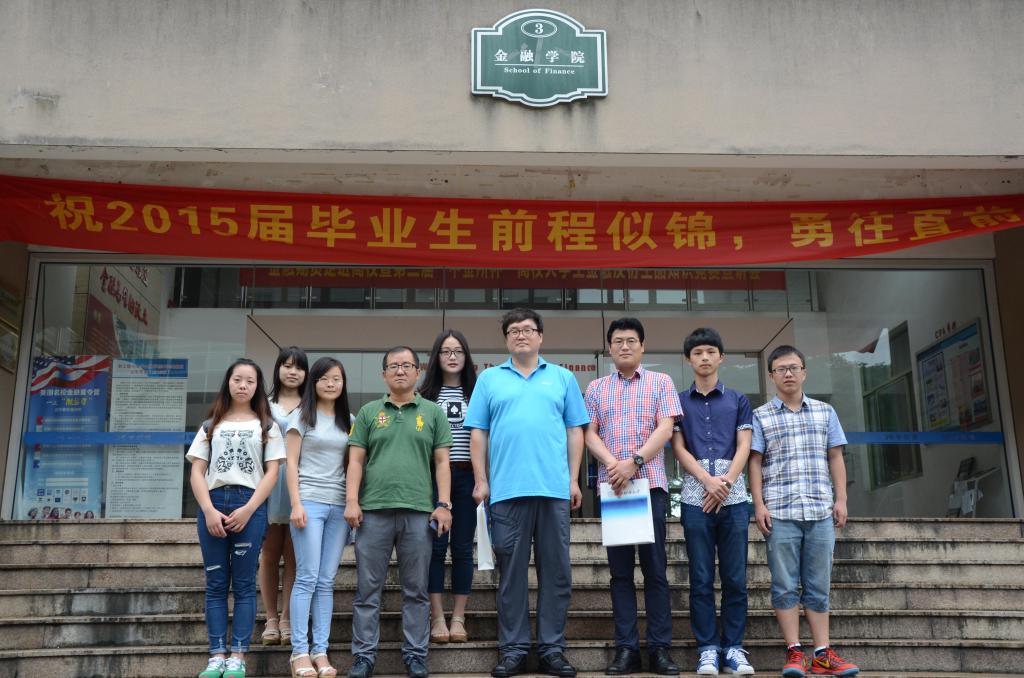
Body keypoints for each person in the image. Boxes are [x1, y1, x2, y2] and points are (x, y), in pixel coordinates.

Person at [466, 308, 590, 678]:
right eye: (514, 330)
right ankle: (514, 650)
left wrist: (573, 480)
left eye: (528, 329)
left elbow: (575, 431)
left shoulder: (563, 378)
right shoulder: (489, 379)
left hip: (553, 490)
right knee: (511, 576)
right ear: (506, 339)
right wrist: (481, 480)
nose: (521, 335)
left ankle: (552, 650)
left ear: (540, 336)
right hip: (506, 492)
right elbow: (478, 433)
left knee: (557, 574)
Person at [749, 345, 859, 677]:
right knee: (784, 584)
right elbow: (755, 463)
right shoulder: (761, 415)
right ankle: (794, 651)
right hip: (780, 512)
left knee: (818, 584)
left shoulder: (826, 412)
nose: (788, 374)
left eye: (794, 368)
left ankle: (822, 654)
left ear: (804, 372)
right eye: (781, 369)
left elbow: (835, 457)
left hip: (819, 510)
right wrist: (759, 504)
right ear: (771, 376)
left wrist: (841, 499)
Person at [345, 346, 454, 678]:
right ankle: (363, 657)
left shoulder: (433, 413)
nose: (401, 371)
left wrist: (444, 504)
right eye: (394, 366)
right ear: (383, 375)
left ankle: (416, 656)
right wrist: (352, 501)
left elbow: (442, 462)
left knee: (416, 590)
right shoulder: (368, 412)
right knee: (367, 590)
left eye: (407, 365)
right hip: (373, 512)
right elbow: (355, 461)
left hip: (418, 511)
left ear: (418, 372)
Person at [583, 318, 682, 676]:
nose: (624, 346)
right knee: (620, 574)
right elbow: (589, 433)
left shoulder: (661, 382)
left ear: (642, 346)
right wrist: (615, 466)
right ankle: (626, 649)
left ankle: (660, 649)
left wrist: (634, 462)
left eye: (631, 341)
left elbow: (666, 428)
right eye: (618, 341)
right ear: (609, 347)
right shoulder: (596, 387)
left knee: (655, 571)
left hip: (649, 486)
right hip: (615, 489)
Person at [186, 358, 284, 678]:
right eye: (237, 379)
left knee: (243, 584)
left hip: (249, 505)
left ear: (257, 387)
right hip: (213, 502)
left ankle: (238, 655)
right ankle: (216, 655)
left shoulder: (267, 426)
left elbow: (272, 473)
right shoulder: (210, 424)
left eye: (250, 381)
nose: (243, 385)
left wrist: (249, 509)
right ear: (228, 382)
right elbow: (197, 472)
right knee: (216, 583)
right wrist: (208, 510)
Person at [671, 327, 755, 676]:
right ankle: (707, 648)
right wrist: (707, 481)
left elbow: (744, 445)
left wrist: (726, 482)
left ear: (721, 357)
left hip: (733, 497)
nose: (704, 357)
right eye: (697, 353)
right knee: (701, 576)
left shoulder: (738, 400)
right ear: (688, 359)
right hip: (695, 497)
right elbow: (678, 447)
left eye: (710, 352)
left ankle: (733, 648)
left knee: (735, 577)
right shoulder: (678, 401)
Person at [287, 357, 354, 678]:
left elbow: (354, 465)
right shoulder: (301, 417)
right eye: (324, 378)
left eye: (336, 379)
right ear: (313, 383)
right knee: (307, 577)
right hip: (309, 503)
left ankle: (320, 651)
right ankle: (299, 652)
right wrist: (296, 504)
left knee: (326, 580)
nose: (331, 384)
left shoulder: (350, 421)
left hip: (339, 507)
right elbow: (290, 463)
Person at [419, 330, 478, 645]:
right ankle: (437, 616)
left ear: (466, 356)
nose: (452, 356)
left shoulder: (477, 393)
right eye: (445, 351)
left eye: (458, 351)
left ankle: (458, 617)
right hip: (432, 478)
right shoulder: (425, 395)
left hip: (468, 476)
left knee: (464, 549)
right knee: (436, 549)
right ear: (436, 357)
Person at [261, 346, 308, 647]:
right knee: (269, 553)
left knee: (294, 556)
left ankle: (288, 618)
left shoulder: (312, 405)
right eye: (287, 366)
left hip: (301, 485)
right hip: (268, 483)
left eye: (299, 367)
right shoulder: (263, 405)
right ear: (277, 369)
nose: (292, 372)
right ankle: (270, 618)